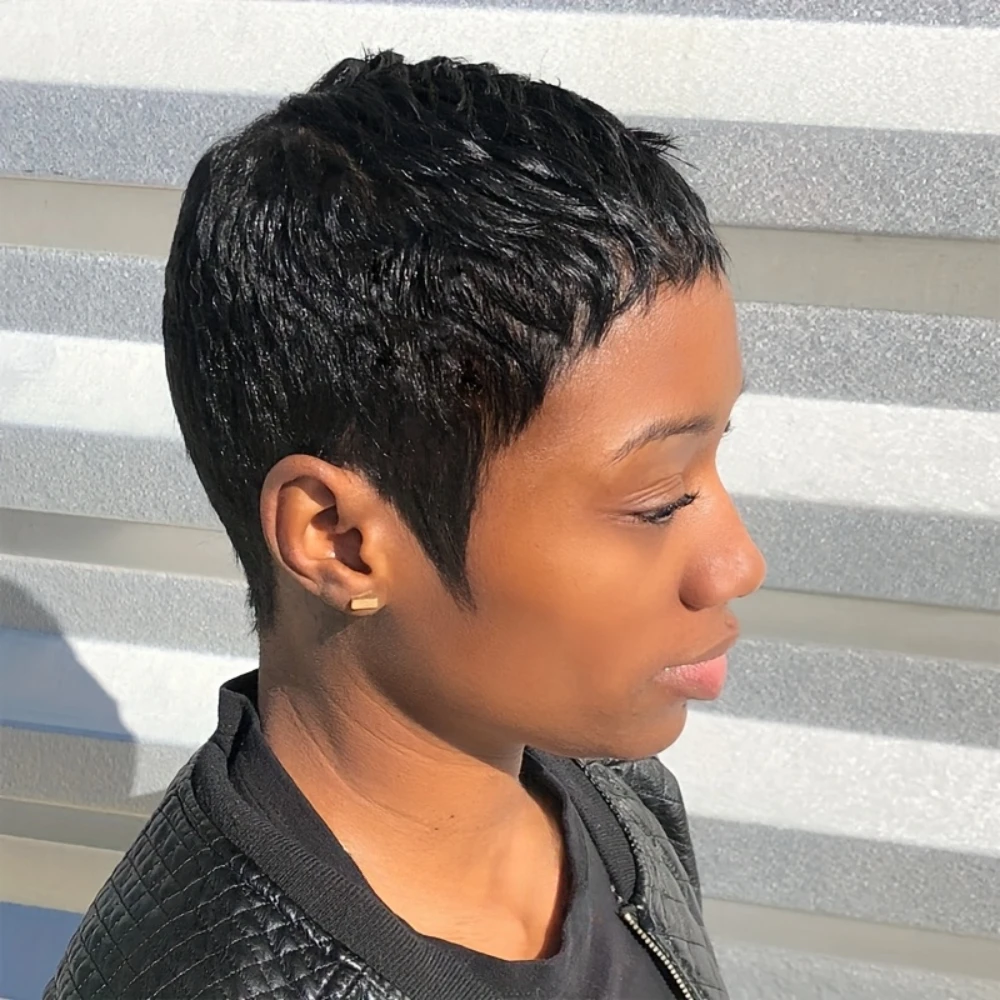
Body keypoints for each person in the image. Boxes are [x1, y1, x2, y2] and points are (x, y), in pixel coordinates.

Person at [47, 50, 765, 1000]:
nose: (735, 564)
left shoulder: (615, 806)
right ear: (338, 540)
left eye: (715, 457)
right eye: (657, 500)